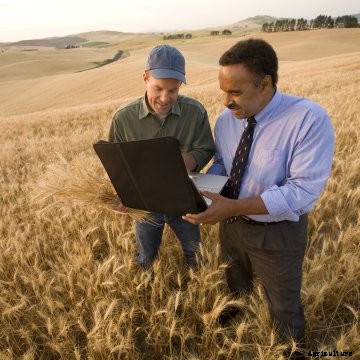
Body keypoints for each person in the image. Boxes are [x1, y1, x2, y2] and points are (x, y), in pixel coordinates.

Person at [183, 39, 334, 358]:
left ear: (264, 84)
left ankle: (292, 352)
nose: (226, 102)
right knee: (235, 292)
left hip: (277, 234)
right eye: (223, 91)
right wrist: (198, 192)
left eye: (235, 92)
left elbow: (302, 191)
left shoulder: (307, 119)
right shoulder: (227, 121)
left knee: (283, 308)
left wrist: (232, 206)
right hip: (231, 227)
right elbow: (225, 163)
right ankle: (235, 345)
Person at [108, 44, 215, 270]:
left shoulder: (195, 112)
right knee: (146, 257)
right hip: (145, 203)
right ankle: (145, 284)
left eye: (173, 90)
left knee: (195, 254)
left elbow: (206, 148)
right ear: (145, 78)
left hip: (184, 198)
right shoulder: (123, 118)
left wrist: (186, 161)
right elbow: (117, 164)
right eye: (158, 88)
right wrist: (119, 194)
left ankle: (199, 286)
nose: (165, 98)